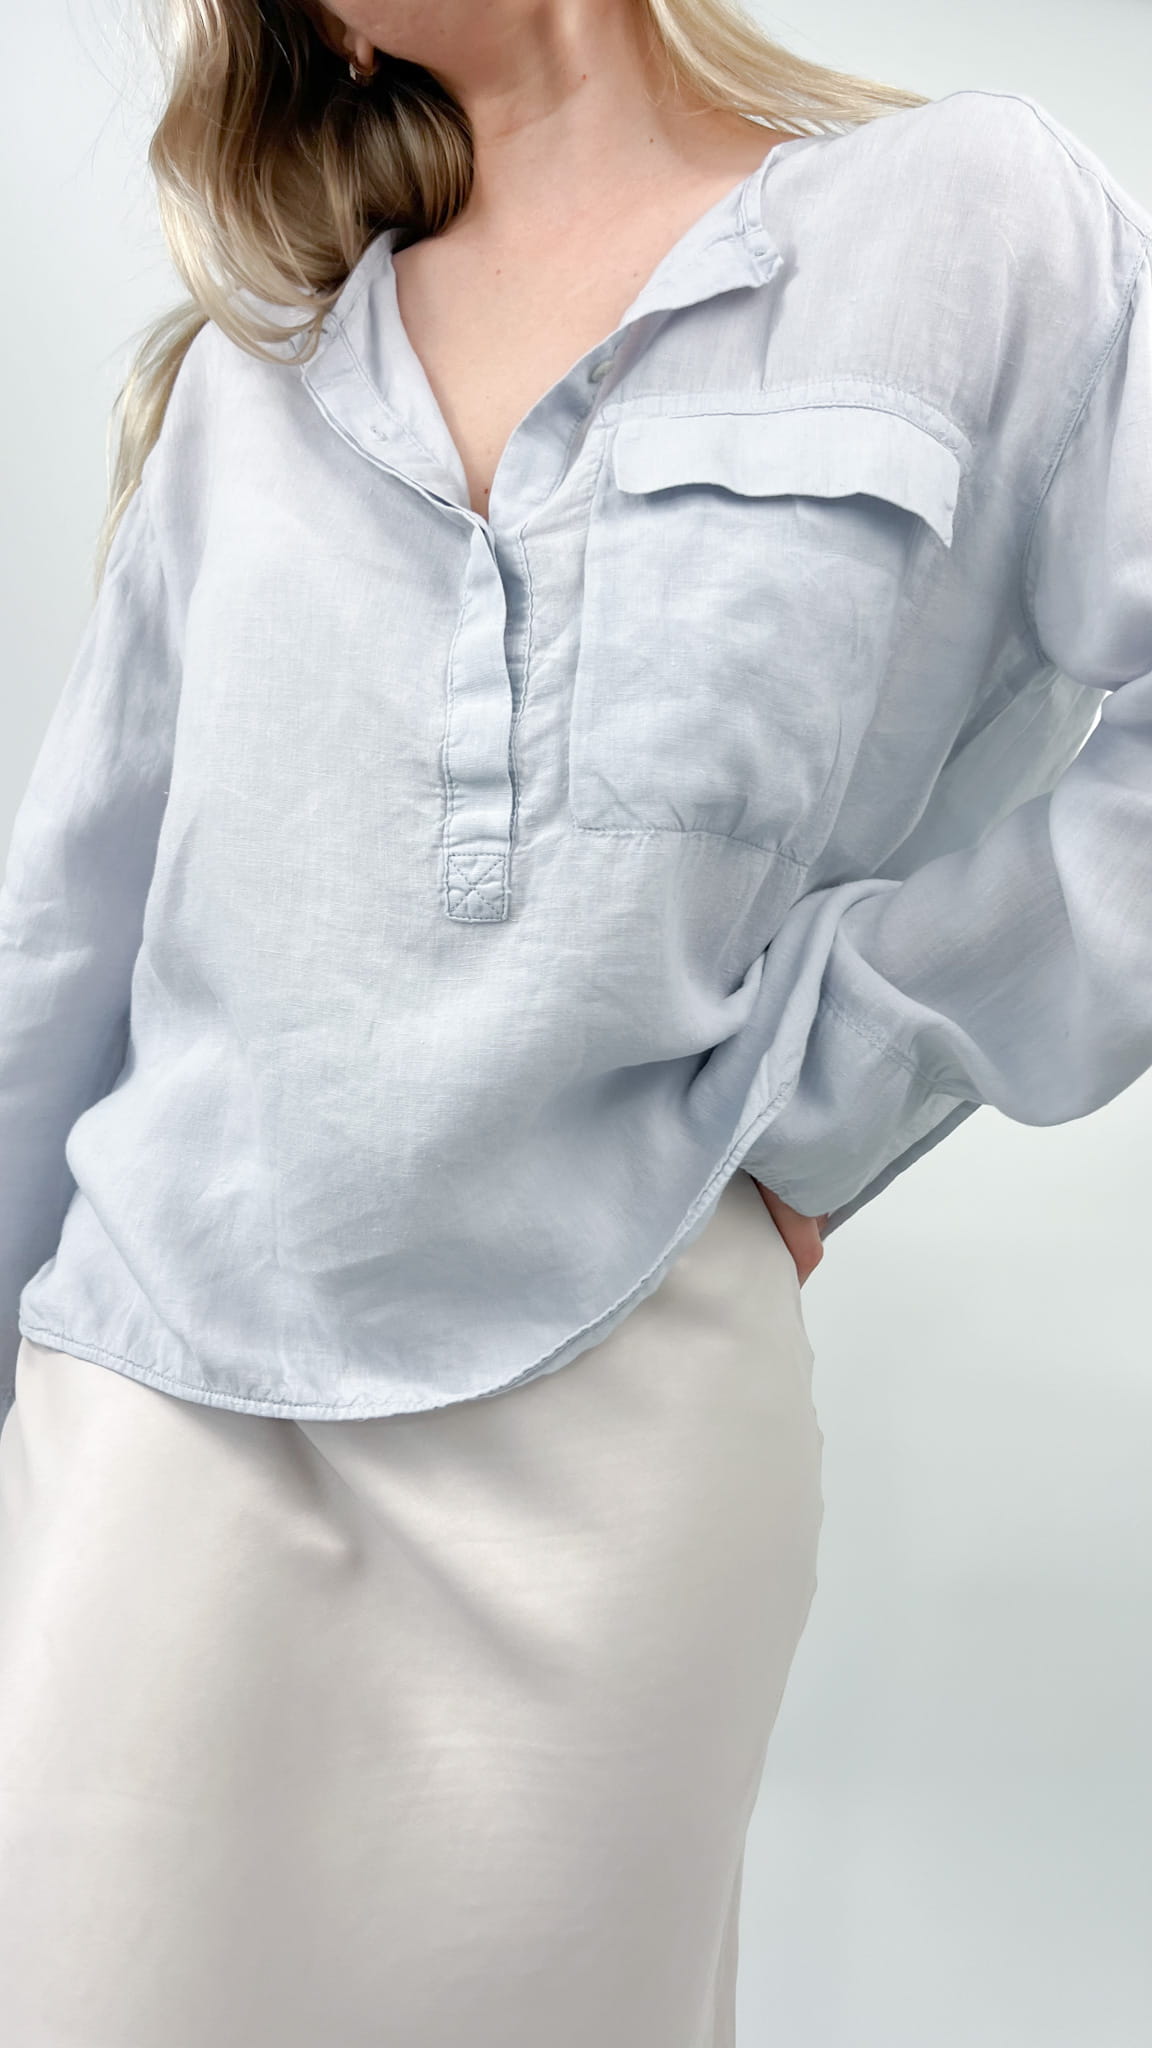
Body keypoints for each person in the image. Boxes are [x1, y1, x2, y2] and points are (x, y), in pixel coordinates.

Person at [2, 2, 1151, 2042]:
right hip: (157, 1400)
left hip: (619, 1428)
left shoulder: (967, 229)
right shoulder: (254, 385)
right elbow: (65, 944)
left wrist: (842, 1084)